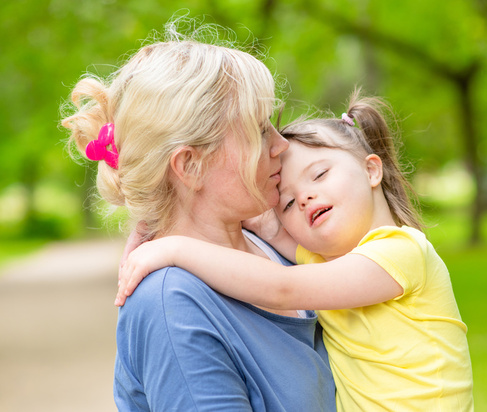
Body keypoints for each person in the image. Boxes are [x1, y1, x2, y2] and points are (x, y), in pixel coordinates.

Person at [117, 90, 475, 411]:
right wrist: (161, 221)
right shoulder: (326, 261)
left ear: (371, 170)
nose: (304, 197)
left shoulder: (402, 252)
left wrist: (176, 248)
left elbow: (281, 285)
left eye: (319, 175)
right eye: (287, 203)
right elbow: (270, 231)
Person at [61, 20, 336, 411]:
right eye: (259, 131)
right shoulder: (173, 307)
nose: (281, 145)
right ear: (190, 166)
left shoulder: (268, 242)